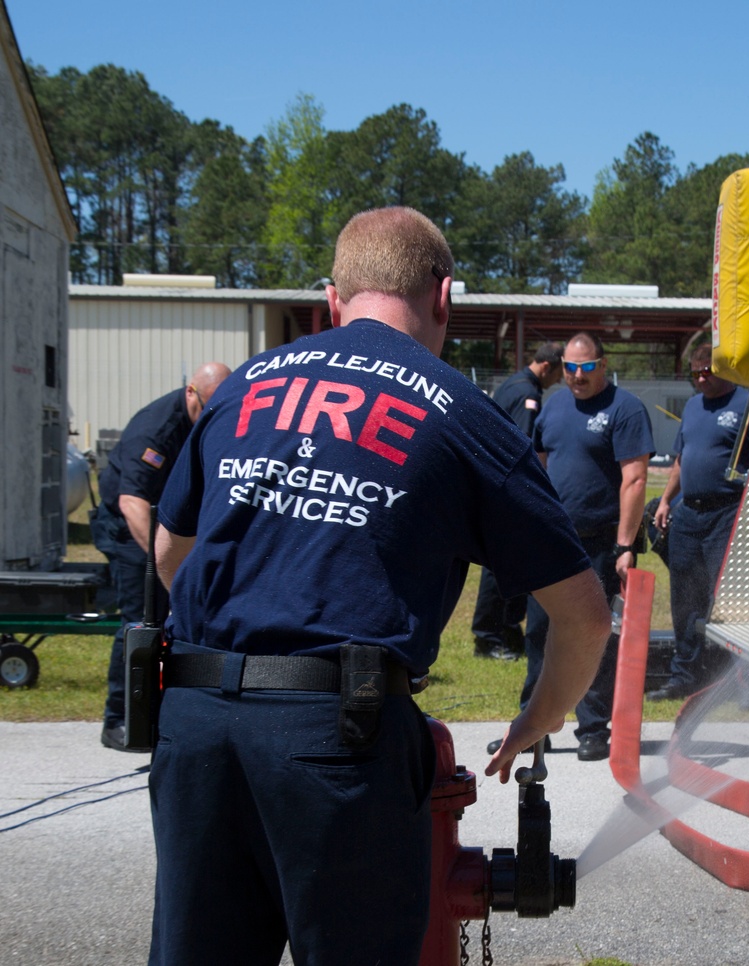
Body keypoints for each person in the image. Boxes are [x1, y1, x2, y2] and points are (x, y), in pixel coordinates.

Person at [148, 207, 610, 966]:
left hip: (195, 725)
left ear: (335, 299)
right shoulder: (462, 412)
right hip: (337, 737)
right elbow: (584, 617)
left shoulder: (246, 385)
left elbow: (172, 553)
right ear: (444, 295)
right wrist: (537, 719)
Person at [490, 332, 654, 762]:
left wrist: (624, 545)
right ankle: (532, 724)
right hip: (552, 540)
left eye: (585, 368)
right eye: (570, 368)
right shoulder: (555, 406)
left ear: (602, 364)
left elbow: (634, 479)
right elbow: (539, 467)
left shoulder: (625, 409)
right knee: (540, 633)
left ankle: (593, 727)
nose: (577, 376)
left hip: (600, 542)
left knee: (592, 634)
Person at [89, 361, 232, 752]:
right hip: (130, 527)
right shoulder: (157, 428)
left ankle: (171, 713)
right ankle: (118, 719)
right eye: (205, 409)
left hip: (174, 527)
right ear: (191, 392)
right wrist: (164, 564)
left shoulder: (212, 416)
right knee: (142, 618)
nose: (210, 418)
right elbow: (131, 501)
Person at [649, 344, 749, 700]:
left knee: (731, 600)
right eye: (696, 372)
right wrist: (666, 501)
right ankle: (685, 674)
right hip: (689, 514)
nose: (701, 378)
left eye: (708, 372)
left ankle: (744, 681)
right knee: (685, 597)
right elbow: (682, 460)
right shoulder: (692, 406)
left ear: (724, 370)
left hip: (728, 513)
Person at [472, 341, 564, 660]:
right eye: (558, 375)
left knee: (505, 565)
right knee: (501, 568)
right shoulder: (529, 395)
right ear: (547, 367)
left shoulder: (511, 382)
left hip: (494, 482)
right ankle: (488, 637)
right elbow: (525, 448)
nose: (559, 383)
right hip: (507, 488)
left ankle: (506, 630)